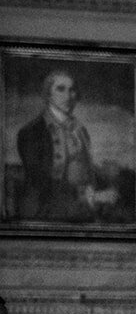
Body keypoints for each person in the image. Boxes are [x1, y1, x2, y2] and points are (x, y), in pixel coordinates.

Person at [16, 67, 120, 223]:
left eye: (72, 90)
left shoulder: (80, 130)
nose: (68, 96)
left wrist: (106, 187)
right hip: (45, 214)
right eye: (60, 89)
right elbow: (40, 183)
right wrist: (91, 197)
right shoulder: (31, 133)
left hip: (82, 211)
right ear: (48, 95)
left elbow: (85, 168)